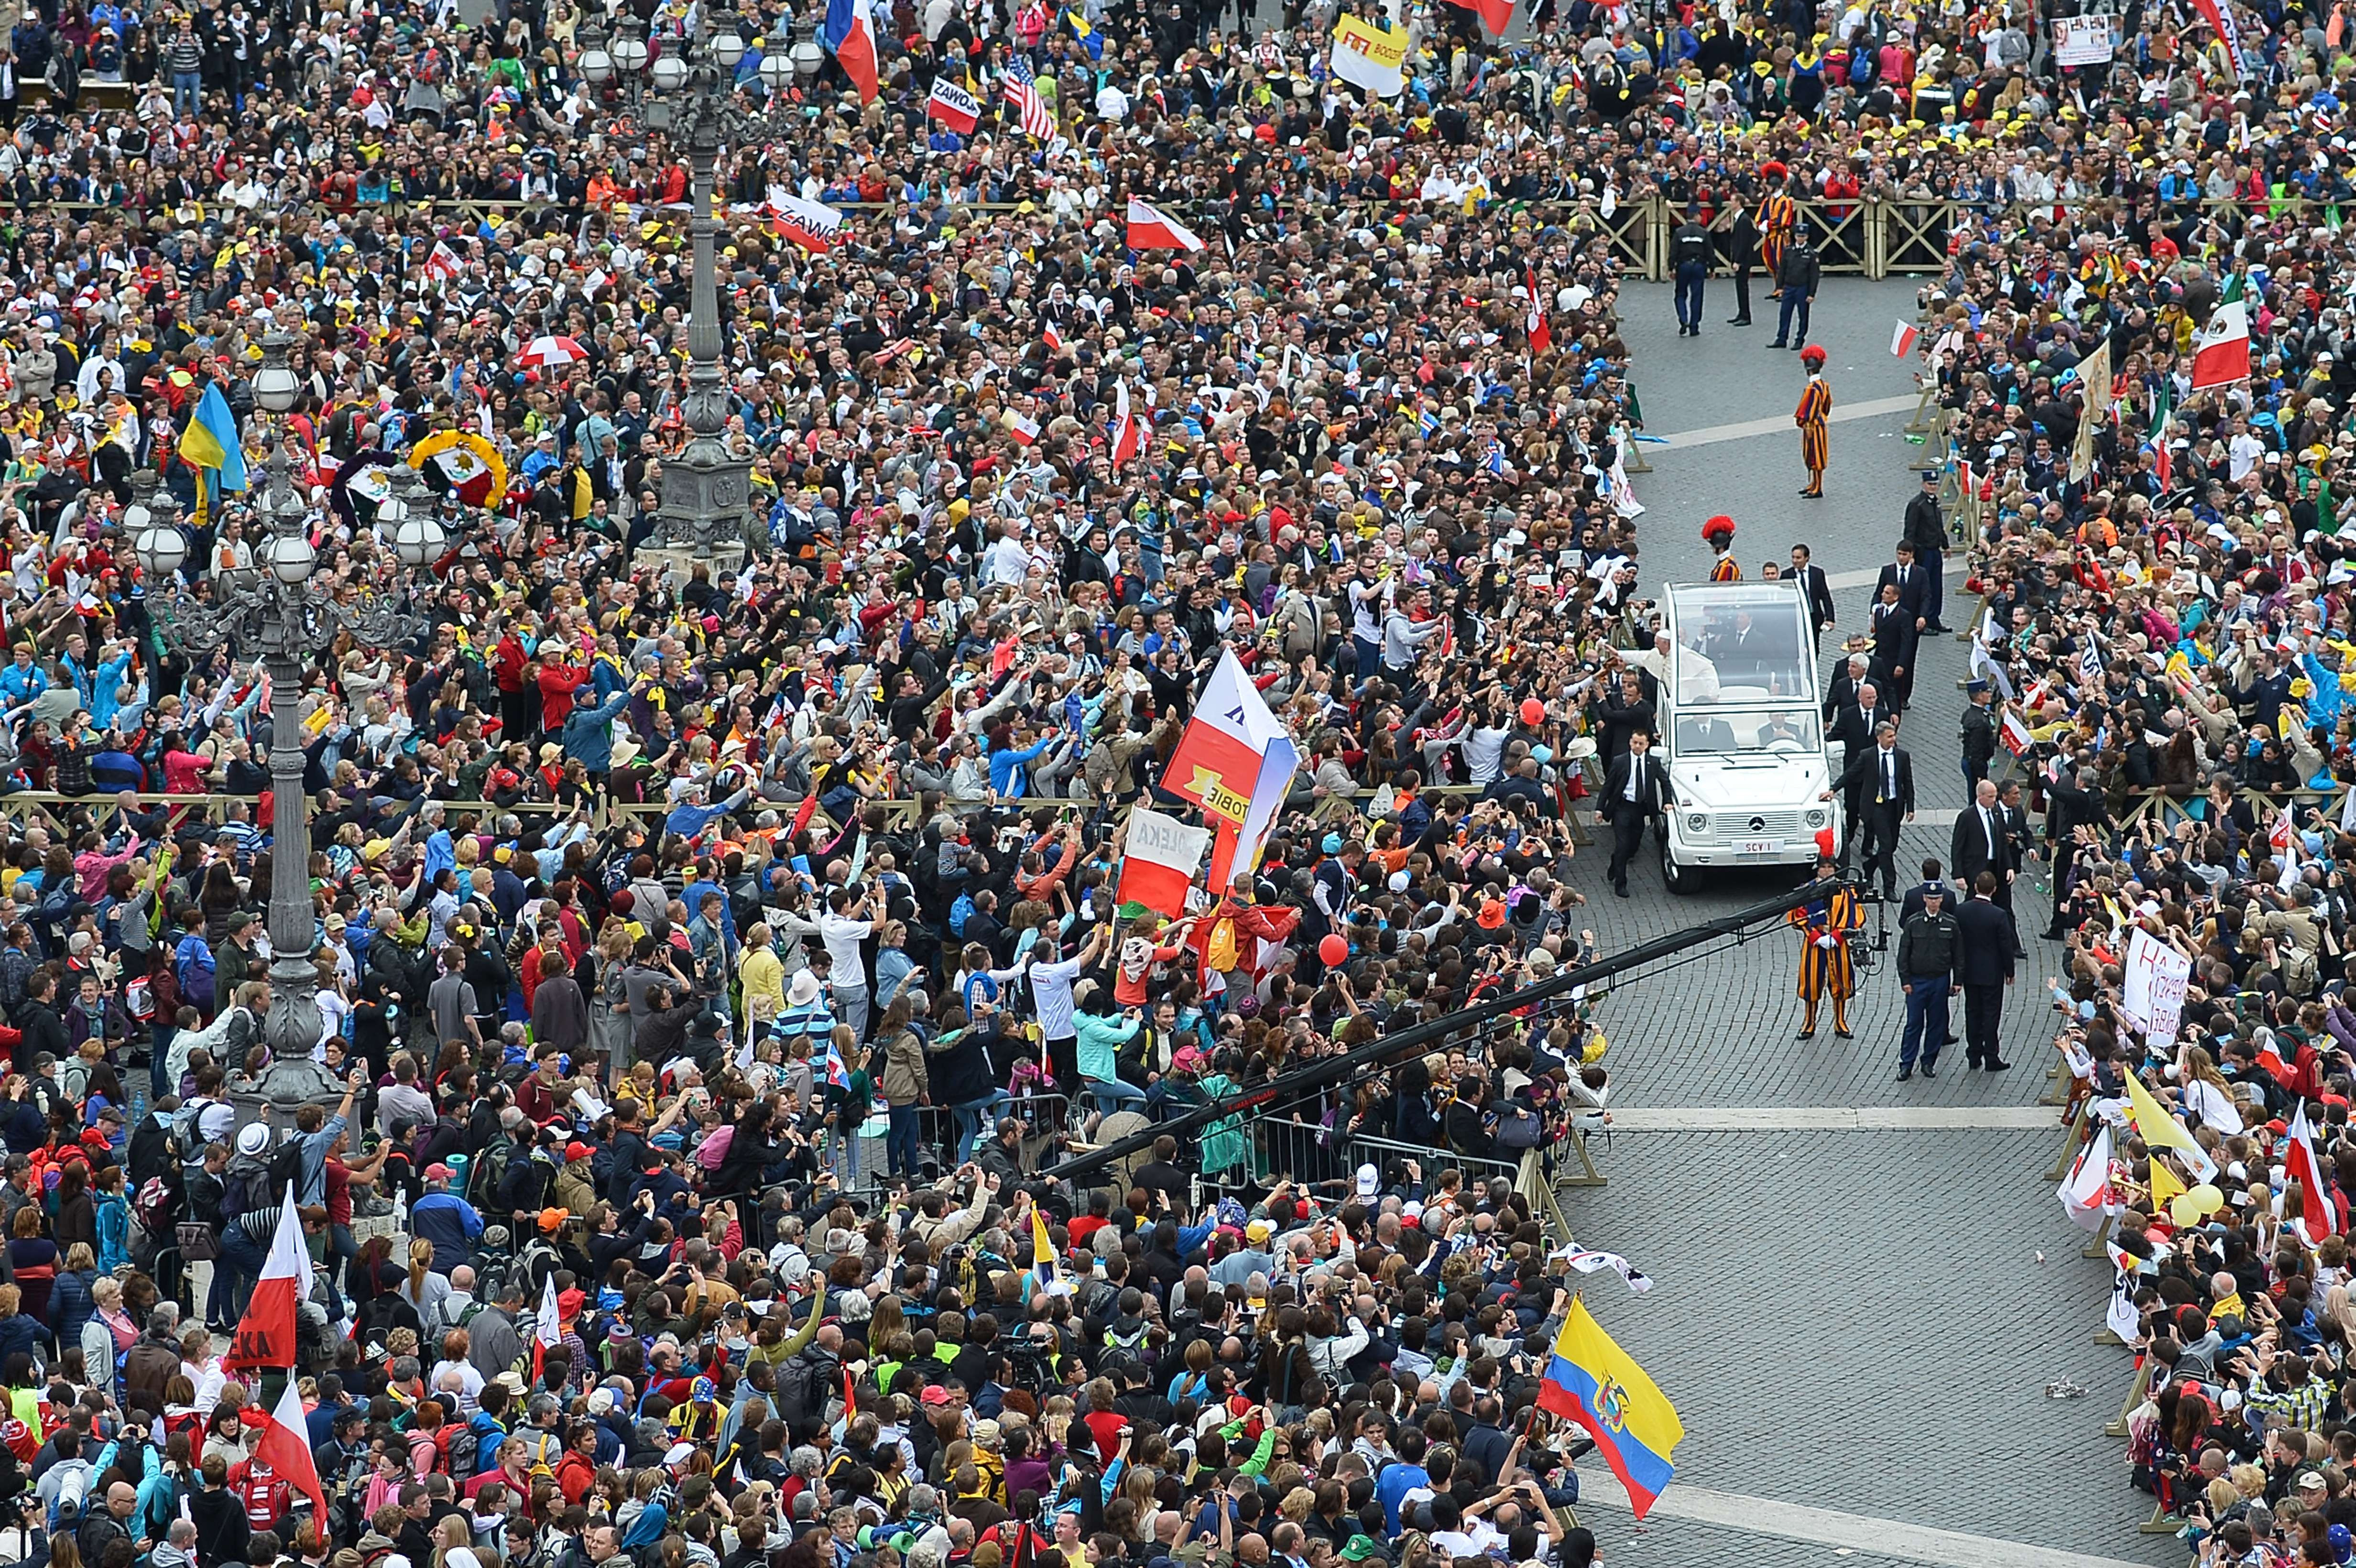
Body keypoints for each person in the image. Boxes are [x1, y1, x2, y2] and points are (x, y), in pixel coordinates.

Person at [1786, 849, 1863, 1040]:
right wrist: (1815, 936)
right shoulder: (1807, 890)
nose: (1827, 871)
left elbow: (1852, 915)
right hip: (1814, 943)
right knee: (1812, 983)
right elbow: (1799, 916)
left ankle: (1841, 1022)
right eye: (1823, 867)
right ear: (1817, 869)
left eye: (1830, 867)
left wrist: (1837, 936)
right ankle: (1809, 1023)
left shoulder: (1845, 890)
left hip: (1838, 943)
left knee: (1841, 982)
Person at [1831, 721, 1912, 901]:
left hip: (1894, 806)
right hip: (1876, 807)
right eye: (1890, 736)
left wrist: (1911, 807)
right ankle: (1889, 886)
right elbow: (1851, 773)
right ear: (1880, 737)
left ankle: (1870, 866)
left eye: (1894, 736)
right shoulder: (1868, 756)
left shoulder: (1902, 756)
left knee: (1890, 847)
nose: (1894, 739)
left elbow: (1907, 782)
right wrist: (1833, 789)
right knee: (1885, 844)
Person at [1893, 882, 1959, 1082]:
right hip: (1917, 980)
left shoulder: (1950, 923)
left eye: (1937, 899)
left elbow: (1959, 954)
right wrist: (1905, 980)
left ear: (1941, 900)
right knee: (1914, 1024)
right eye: (1930, 899)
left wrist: (1958, 981)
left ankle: (1928, 1061)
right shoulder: (1913, 923)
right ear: (1924, 899)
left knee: (1936, 1024)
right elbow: (1903, 954)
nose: (1933, 902)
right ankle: (1906, 1064)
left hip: (1940, 980)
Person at [1953, 871, 2017, 1071]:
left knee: (1972, 1013)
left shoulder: (1961, 911)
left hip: (1969, 972)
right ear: (1995, 889)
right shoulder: (1998, 915)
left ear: (1976, 887)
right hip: (1992, 973)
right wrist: (2010, 971)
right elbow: (2005, 946)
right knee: (1991, 1015)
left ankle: (1973, 1055)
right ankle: (1991, 1056)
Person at [1602, 728, 1673, 900]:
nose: (1637, 746)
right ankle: (1621, 883)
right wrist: (1599, 808)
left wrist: (1667, 802)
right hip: (1622, 807)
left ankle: (1616, 861)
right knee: (1622, 844)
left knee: (1633, 845)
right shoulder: (1620, 761)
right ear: (1630, 742)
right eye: (1635, 743)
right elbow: (1608, 786)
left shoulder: (1653, 763)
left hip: (1641, 809)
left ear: (1647, 745)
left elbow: (1665, 783)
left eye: (1641, 744)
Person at [1901, 470, 1949, 633]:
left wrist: (1946, 545)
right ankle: (1924, 621)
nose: (1933, 487)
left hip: (1935, 550)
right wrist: (1911, 555)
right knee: (1925, 588)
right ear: (1923, 484)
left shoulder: (1935, 502)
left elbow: (1938, 526)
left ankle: (1934, 618)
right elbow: (1910, 532)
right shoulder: (1917, 504)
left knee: (1937, 586)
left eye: (1935, 484)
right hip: (1924, 551)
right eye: (1930, 484)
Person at [1768, 229, 1822, 355]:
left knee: (1803, 316)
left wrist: (1812, 294)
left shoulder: (1811, 253)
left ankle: (1799, 339)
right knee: (1784, 314)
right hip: (1789, 287)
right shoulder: (1788, 251)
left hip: (1803, 288)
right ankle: (1782, 339)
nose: (1800, 238)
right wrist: (1779, 287)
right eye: (1798, 236)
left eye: (1803, 236)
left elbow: (1814, 275)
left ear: (1807, 237)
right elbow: (1782, 270)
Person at [1793, 344, 1832, 497]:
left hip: (1813, 427)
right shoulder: (1824, 386)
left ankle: (1818, 487)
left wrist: (1806, 423)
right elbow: (1828, 406)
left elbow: (1807, 411)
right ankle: (1814, 484)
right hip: (1820, 425)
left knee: (1815, 456)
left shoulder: (1812, 389)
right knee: (1816, 456)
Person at [1670, 201, 1710, 337]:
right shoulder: (1703, 232)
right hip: (1699, 265)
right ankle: (1694, 326)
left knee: (1680, 294)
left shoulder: (1679, 232)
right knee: (1697, 296)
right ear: (1697, 216)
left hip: (1683, 266)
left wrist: (1671, 268)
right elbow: (1710, 251)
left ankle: (1683, 319)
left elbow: (1673, 252)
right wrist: (1713, 268)